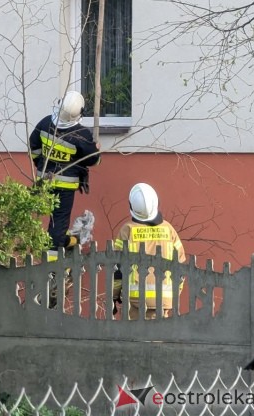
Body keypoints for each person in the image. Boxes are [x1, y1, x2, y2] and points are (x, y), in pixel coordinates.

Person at [29, 90, 101, 253]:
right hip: (65, 188)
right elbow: (94, 161)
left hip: (43, 183)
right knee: (58, 224)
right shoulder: (81, 134)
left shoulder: (45, 123)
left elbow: (34, 147)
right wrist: (95, 149)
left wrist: (41, 166)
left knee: (50, 224)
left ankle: (70, 241)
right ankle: (53, 271)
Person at [113, 183, 186, 319]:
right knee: (158, 337)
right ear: (156, 202)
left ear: (131, 206)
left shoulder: (127, 230)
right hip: (164, 298)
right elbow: (181, 267)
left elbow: (117, 268)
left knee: (137, 337)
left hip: (136, 298)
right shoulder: (169, 229)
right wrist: (174, 293)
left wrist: (114, 296)